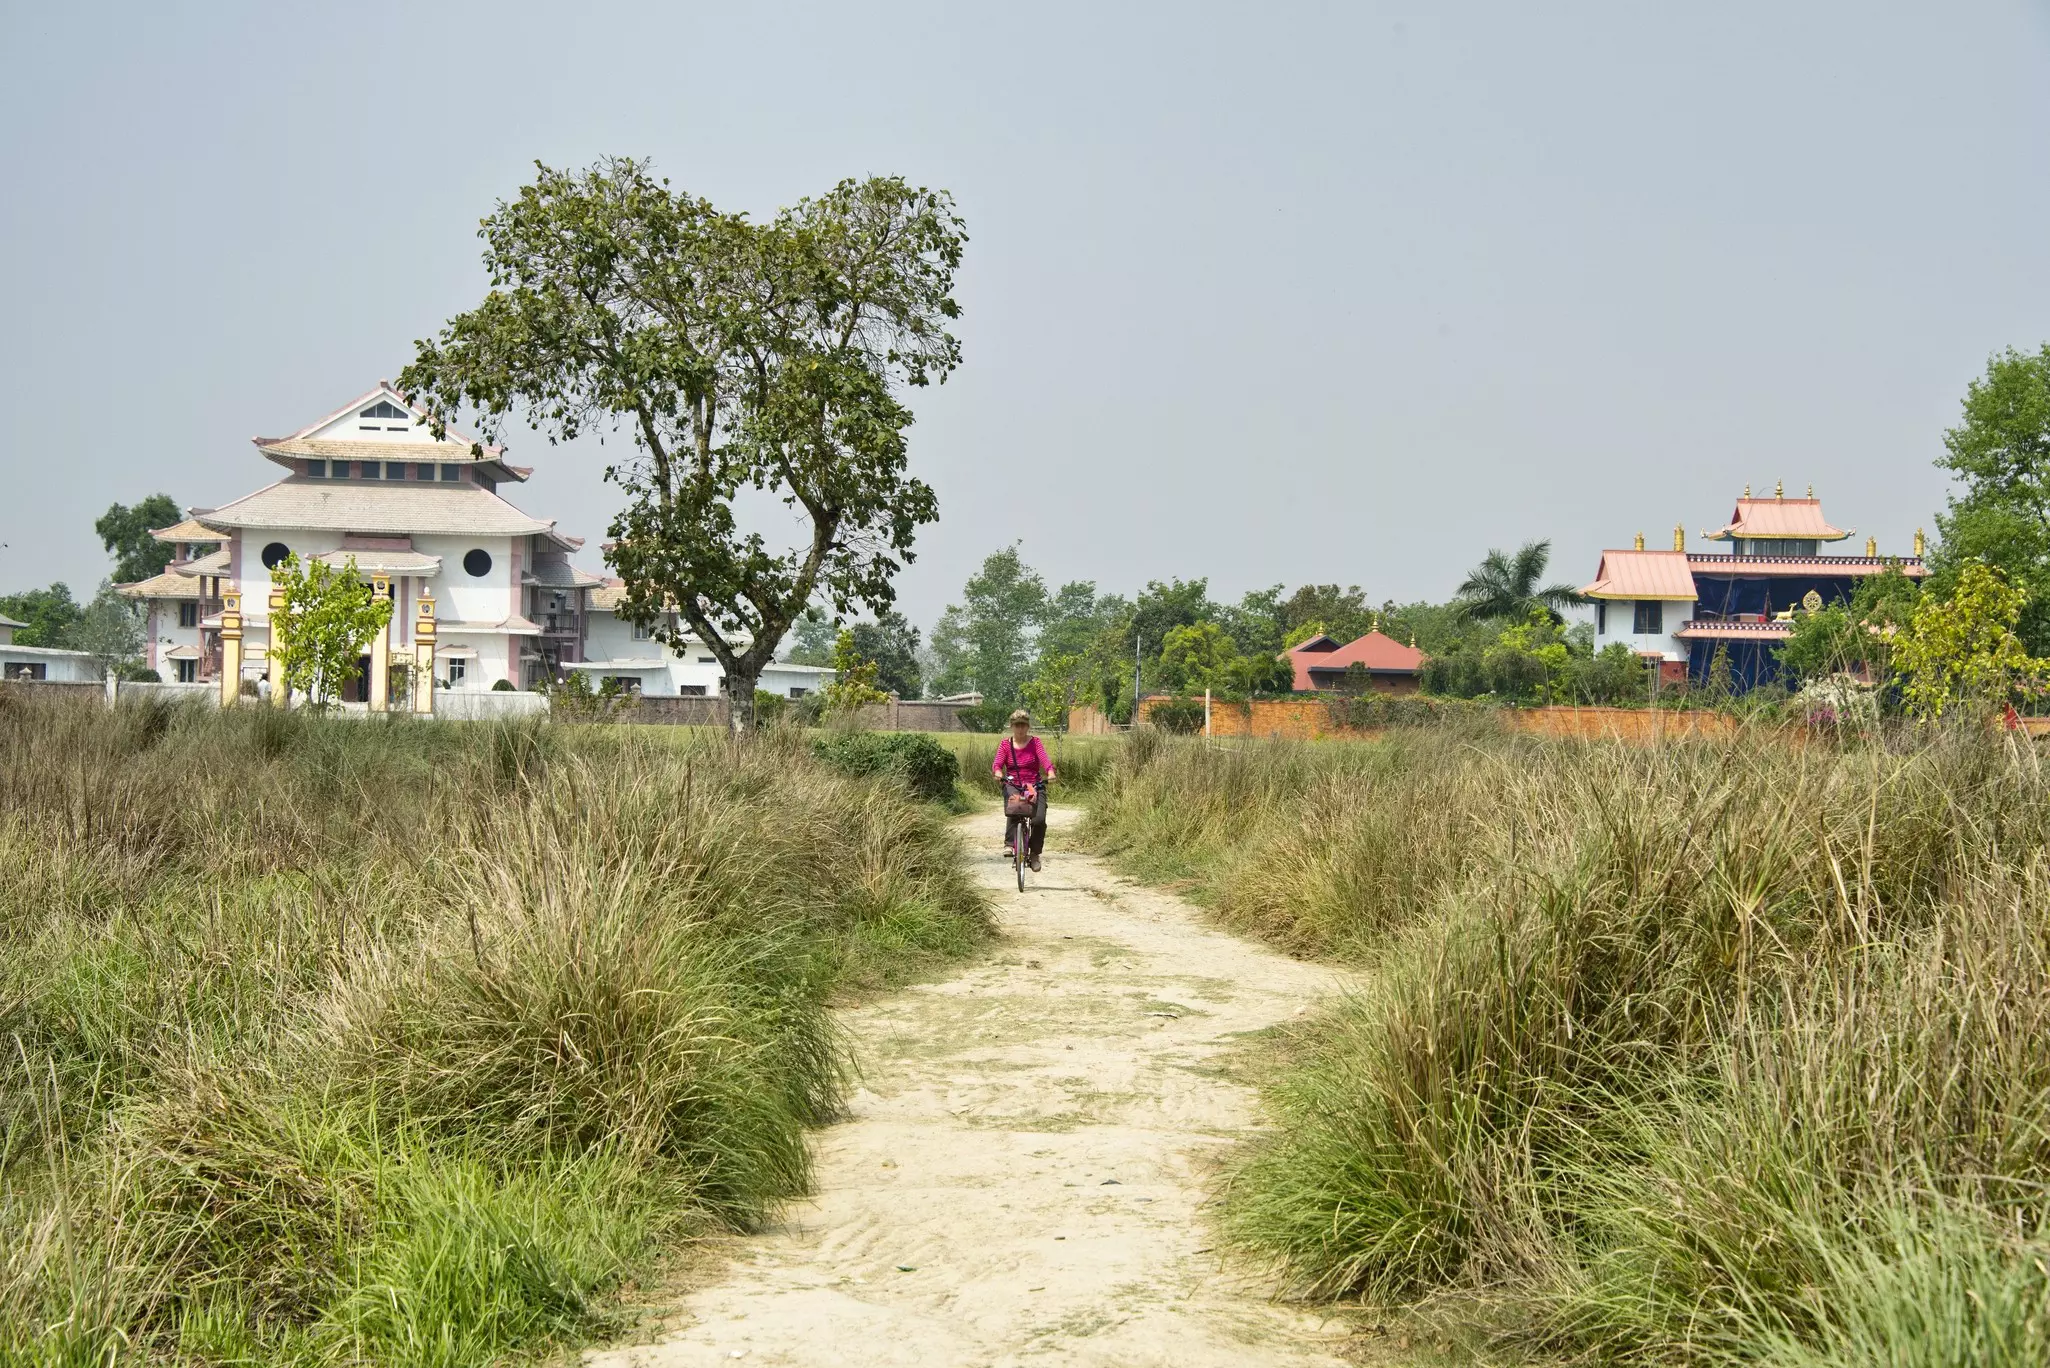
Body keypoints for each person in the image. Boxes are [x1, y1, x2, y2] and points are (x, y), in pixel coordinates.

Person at [993, 708, 1055, 871]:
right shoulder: (1005, 744)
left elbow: (1045, 760)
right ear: (1012, 726)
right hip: (1013, 783)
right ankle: (1009, 843)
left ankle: (1034, 853)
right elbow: (998, 764)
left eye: (1023, 725)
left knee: (1038, 820)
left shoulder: (1035, 742)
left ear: (1028, 726)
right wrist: (998, 773)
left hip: (1034, 785)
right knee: (1015, 807)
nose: (1020, 729)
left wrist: (1050, 771)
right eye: (1017, 725)